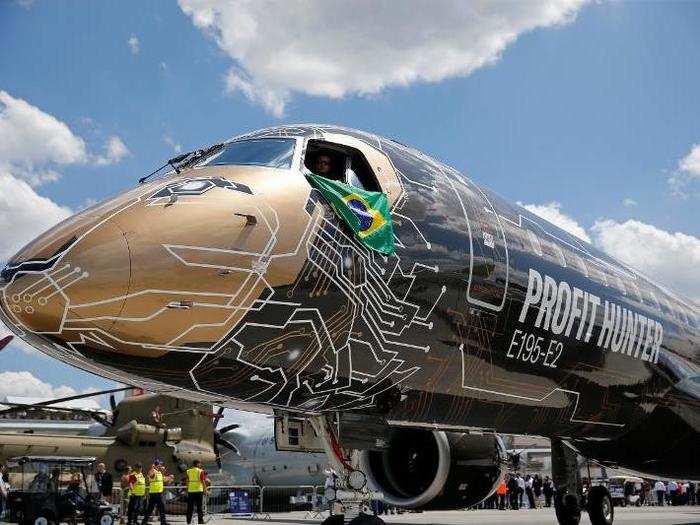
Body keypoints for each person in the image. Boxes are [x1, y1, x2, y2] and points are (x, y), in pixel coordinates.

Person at [141, 459, 173, 525]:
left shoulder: (159, 473)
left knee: (150, 509)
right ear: (156, 465)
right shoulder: (153, 471)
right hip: (155, 493)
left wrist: (170, 477)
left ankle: (144, 522)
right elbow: (150, 475)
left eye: (161, 465)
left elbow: (164, 480)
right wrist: (152, 468)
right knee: (161, 508)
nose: (161, 466)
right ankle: (163, 522)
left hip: (157, 493)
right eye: (160, 465)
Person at [183, 460, 209, 525]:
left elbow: (187, 481)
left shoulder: (188, 471)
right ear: (197, 464)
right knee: (199, 507)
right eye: (200, 463)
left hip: (191, 491)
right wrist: (205, 489)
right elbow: (203, 481)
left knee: (190, 507)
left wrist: (187, 488)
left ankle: (188, 521)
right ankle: (200, 521)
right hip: (199, 491)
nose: (200, 464)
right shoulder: (200, 471)